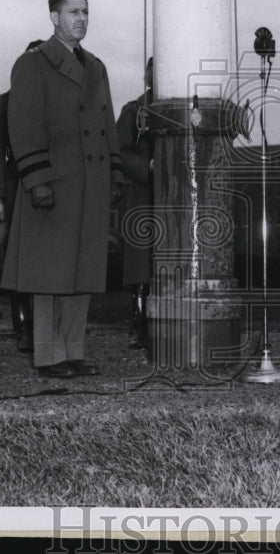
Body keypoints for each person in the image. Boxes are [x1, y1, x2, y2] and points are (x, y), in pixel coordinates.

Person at [0, 0, 125, 378]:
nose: (82, 19)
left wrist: (116, 173)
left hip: (90, 185)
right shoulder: (33, 64)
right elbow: (23, 127)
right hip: (54, 185)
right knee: (49, 275)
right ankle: (48, 356)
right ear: (54, 17)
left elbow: (107, 125)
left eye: (86, 11)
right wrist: (37, 181)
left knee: (82, 273)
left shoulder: (98, 67)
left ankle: (73, 351)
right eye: (74, 12)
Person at [0, 40, 45, 353]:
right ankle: (24, 327)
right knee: (16, 258)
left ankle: (48, 331)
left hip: (51, 191)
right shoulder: (4, 103)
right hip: (16, 189)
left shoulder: (55, 101)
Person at [115, 57, 154, 350]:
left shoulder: (181, 109)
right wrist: (148, 166)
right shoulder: (134, 111)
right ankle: (141, 328)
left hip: (172, 201)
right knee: (141, 266)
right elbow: (118, 152)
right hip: (142, 196)